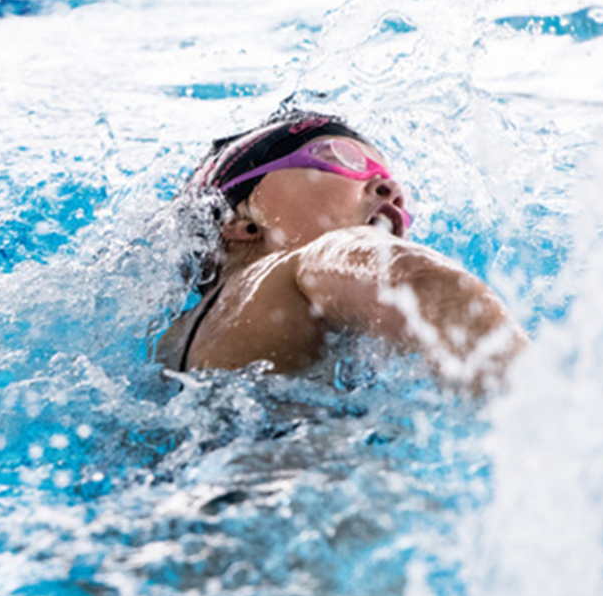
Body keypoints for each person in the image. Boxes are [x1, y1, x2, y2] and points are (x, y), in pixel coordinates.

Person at [156, 110, 527, 395]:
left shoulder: (170, 347)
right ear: (240, 219)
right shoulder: (299, 265)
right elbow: (423, 282)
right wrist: (540, 410)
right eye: (341, 159)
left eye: (385, 172)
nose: (391, 186)